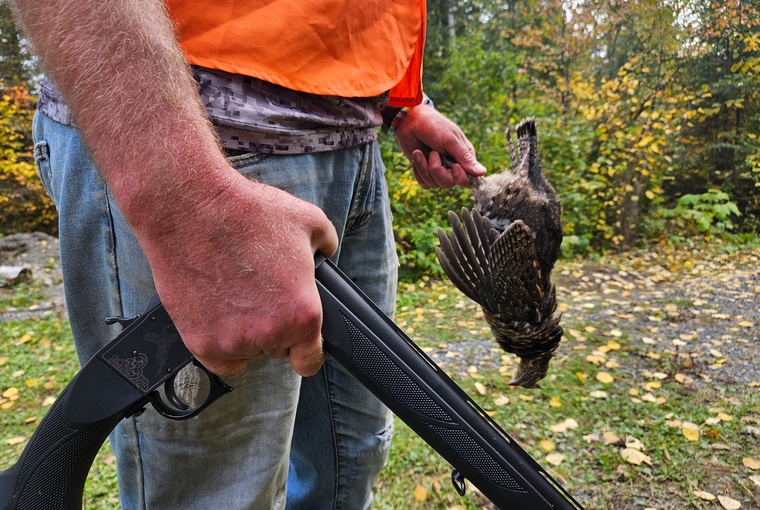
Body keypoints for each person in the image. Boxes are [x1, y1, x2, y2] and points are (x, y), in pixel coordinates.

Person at [11, 0, 487, 508]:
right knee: (217, 495)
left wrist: (402, 103)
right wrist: (185, 196)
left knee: (350, 461)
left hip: (354, 141)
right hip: (197, 143)